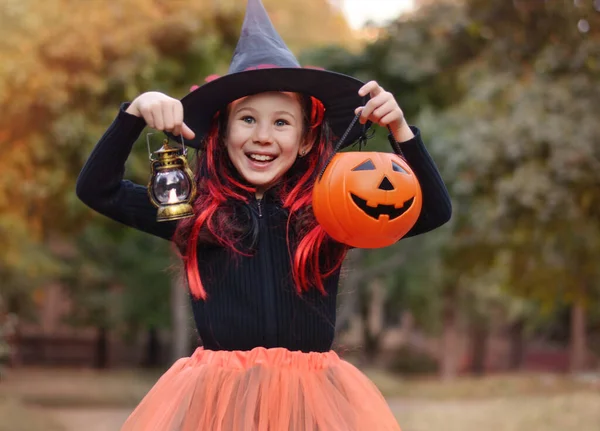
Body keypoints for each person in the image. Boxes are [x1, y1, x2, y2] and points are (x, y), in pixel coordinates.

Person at [76, 0, 451, 429]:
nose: (262, 136)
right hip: (219, 402)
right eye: (248, 119)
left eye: (281, 123)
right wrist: (133, 115)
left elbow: (434, 211)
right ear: (222, 132)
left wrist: (402, 133)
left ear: (308, 140)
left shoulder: (332, 211)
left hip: (312, 404)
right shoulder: (194, 214)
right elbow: (96, 189)